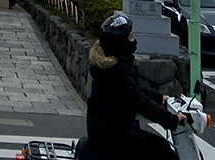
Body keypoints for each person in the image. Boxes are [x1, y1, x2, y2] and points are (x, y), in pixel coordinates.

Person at [77, 13, 184, 160]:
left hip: (110, 131)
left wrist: (160, 98)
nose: (133, 40)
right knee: (162, 150)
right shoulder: (115, 71)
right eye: (130, 36)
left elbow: (134, 90)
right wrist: (172, 120)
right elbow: (139, 101)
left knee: (155, 145)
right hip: (110, 138)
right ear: (120, 41)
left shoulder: (112, 65)